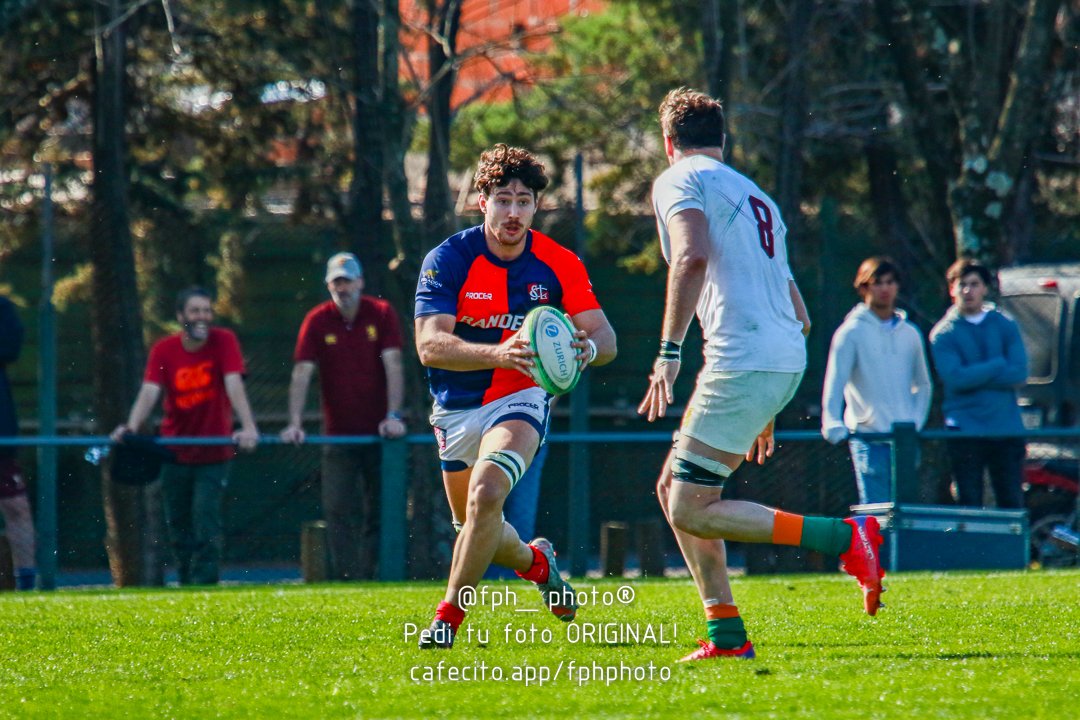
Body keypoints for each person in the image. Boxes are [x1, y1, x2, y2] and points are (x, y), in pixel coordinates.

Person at [638, 88, 886, 663]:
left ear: (668, 141)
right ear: (723, 140)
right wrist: (767, 405)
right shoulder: (758, 197)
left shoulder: (679, 178)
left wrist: (669, 352)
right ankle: (726, 633)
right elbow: (799, 313)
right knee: (674, 491)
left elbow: (690, 256)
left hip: (744, 359)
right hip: (778, 358)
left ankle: (845, 538)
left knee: (687, 506)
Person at [413, 143, 617, 648]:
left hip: (521, 398)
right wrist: (499, 353)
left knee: (486, 496)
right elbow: (429, 345)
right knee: (478, 525)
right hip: (457, 407)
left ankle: (447, 618)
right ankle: (539, 562)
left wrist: (583, 348)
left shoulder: (558, 263)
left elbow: (608, 340)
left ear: (535, 206)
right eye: (503, 199)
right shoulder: (448, 259)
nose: (513, 212)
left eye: (523, 201)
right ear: (482, 200)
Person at [111, 287, 260, 585]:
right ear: (181, 317)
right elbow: (150, 391)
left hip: (213, 451)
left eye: (207, 310)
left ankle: (204, 585)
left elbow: (233, 384)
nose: (202, 316)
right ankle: (184, 583)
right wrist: (131, 425)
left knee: (205, 521)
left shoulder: (224, 341)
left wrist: (248, 426)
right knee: (178, 525)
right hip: (175, 451)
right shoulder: (164, 350)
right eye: (195, 311)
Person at [280, 252, 407, 580]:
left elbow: (394, 365)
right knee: (338, 509)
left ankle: (376, 576)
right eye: (337, 281)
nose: (343, 287)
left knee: (381, 509)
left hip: (380, 436)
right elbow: (301, 373)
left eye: (348, 280)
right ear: (328, 285)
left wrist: (393, 415)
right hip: (337, 437)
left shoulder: (381, 313)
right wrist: (294, 422)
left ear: (360, 282)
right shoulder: (317, 319)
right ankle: (349, 580)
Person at [821, 257, 932, 504]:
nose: (884, 288)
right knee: (876, 515)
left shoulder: (911, 333)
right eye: (877, 282)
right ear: (864, 288)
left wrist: (915, 422)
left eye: (890, 282)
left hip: (904, 440)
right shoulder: (850, 333)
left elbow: (923, 384)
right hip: (869, 440)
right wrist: (832, 422)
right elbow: (835, 381)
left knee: (907, 515)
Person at [930, 258, 1028, 508]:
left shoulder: (1005, 324)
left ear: (985, 288)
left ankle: (1009, 549)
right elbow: (956, 379)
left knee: (1011, 500)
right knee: (969, 501)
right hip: (966, 429)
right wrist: (996, 365)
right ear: (951, 289)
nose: (967, 291)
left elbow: (1018, 373)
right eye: (961, 284)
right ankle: (972, 549)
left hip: (1006, 428)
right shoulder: (943, 333)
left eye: (974, 284)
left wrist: (976, 374)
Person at [0, 295, 36, 590]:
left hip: (2, 435)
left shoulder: (2, 308)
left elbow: (10, 347)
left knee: (16, 507)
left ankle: (27, 583)